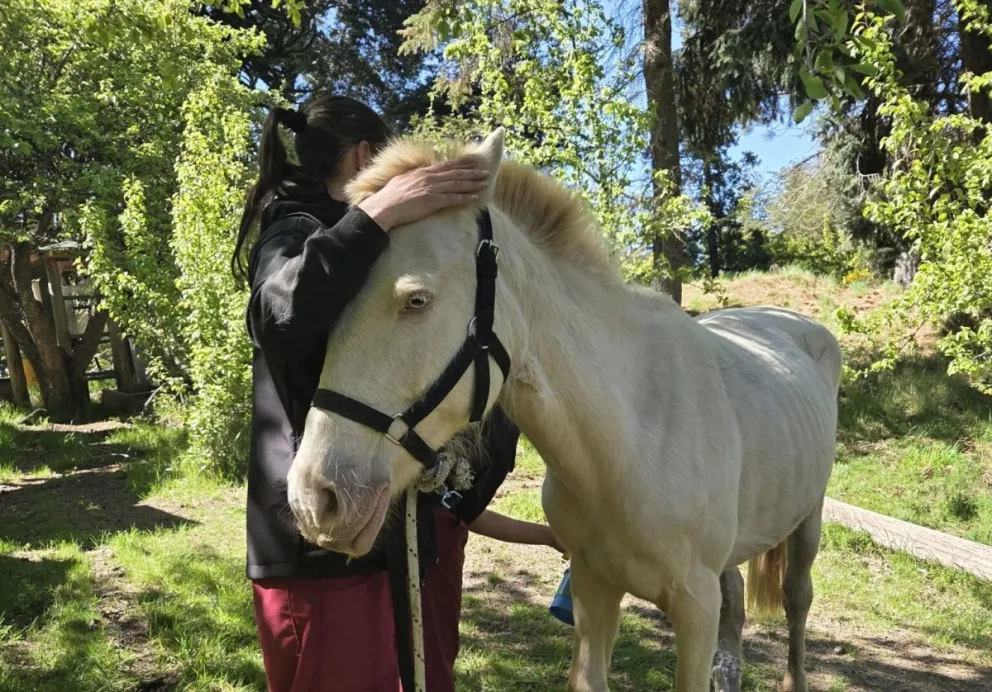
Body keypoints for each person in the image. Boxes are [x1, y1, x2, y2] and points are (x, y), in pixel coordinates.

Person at [234, 94, 561, 692]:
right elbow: (275, 318)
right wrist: (378, 212)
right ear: (364, 155)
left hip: (366, 526)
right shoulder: (298, 227)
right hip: (314, 533)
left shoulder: (354, 239)